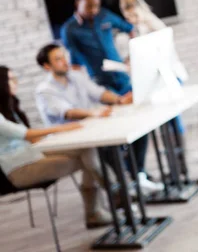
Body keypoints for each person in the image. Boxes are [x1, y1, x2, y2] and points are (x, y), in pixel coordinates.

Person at [34, 43, 163, 194]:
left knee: (139, 131)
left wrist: (119, 100)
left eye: (64, 56)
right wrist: (93, 113)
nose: (64, 61)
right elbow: (67, 112)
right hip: (69, 137)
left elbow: (98, 93)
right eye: (58, 59)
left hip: (92, 127)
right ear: (47, 66)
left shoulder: (76, 77)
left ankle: (137, 176)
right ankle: (124, 190)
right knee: (108, 146)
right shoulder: (44, 90)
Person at [0, 66, 113, 228]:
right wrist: (61, 129)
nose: (15, 82)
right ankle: (108, 200)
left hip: (33, 154)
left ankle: (112, 196)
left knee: (88, 149)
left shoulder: (10, 107)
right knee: (89, 160)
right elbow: (24, 134)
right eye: (10, 79)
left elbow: (31, 139)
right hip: (19, 169)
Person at [118, 0, 187, 136]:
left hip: (168, 75)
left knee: (173, 117)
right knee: (160, 117)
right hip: (152, 78)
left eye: (134, 15)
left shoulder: (153, 24)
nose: (131, 19)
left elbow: (165, 52)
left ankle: (180, 151)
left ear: (140, 8)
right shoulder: (134, 29)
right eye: (128, 17)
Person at [60, 0, 133, 95]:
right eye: (89, 6)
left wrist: (130, 56)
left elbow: (129, 29)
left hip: (121, 74)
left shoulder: (105, 15)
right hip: (100, 82)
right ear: (77, 3)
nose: (94, 10)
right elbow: (74, 62)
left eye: (96, 6)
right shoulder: (69, 29)